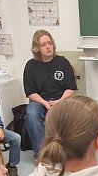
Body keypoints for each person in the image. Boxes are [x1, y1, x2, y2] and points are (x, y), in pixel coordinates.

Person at [22, 30, 77, 158]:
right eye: (43, 45)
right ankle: (42, 154)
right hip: (40, 101)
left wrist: (59, 101)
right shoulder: (31, 66)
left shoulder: (62, 62)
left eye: (49, 43)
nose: (48, 47)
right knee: (31, 113)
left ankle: (66, 154)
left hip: (62, 100)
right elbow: (30, 92)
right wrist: (45, 103)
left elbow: (71, 88)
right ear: (37, 48)